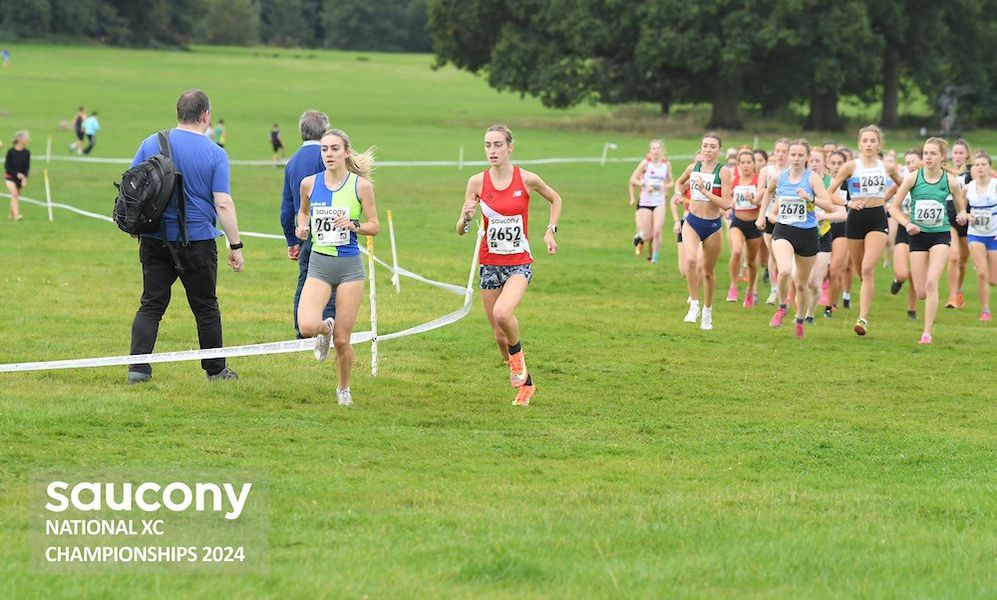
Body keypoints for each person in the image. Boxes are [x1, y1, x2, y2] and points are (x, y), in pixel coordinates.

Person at [127, 89, 244, 384]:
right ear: (206, 115)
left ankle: (138, 369)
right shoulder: (215, 153)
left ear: (179, 113)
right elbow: (223, 203)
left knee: (151, 304)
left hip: (155, 238)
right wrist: (235, 245)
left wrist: (136, 226)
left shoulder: (150, 142)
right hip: (198, 240)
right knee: (205, 307)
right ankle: (216, 371)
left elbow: (132, 189)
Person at [456, 125, 561, 406]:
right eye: (487, 145)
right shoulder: (476, 182)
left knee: (503, 313)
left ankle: (517, 362)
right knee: (500, 337)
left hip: (518, 263)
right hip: (490, 263)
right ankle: (526, 384)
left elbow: (555, 199)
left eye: (498, 145)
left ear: (510, 147)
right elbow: (460, 230)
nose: (492, 150)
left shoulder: (527, 179)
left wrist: (550, 230)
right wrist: (466, 218)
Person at [296, 128, 379, 407]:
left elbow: (374, 226)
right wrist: (301, 226)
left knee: (343, 341)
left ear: (346, 152)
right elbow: (303, 212)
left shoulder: (360, 186)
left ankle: (343, 389)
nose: (328, 154)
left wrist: (354, 225)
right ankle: (325, 329)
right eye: (324, 149)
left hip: (349, 268)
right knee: (307, 325)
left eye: (334, 149)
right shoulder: (309, 183)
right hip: (319, 264)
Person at [889, 137, 968, 344]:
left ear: (942, 157)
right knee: (922, 292)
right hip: (917, 236)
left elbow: (961, 210)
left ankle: (927, 333)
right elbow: (893, 208)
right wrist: (907, 224)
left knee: (932, 282)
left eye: (933, 153)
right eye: (925, 153)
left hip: (940, 235)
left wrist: (962, 216)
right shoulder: (913, 178)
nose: (928, 157)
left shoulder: (950, 181)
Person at [827, 125, 903, 336]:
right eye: (865, 141)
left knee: (868, 269)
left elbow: (903, 185)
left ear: (879, 145)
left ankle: (862, 319)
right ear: (859, 144)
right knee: (860, 271)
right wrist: (848, 202)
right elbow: (829, 193)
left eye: (872, 141)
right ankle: (865, 292)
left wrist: (887, 199)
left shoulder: (886, 167)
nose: (869, 144)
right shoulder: (850, 166)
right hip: (855, 220)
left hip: (877, 219)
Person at [762, 140, 836, 338]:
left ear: (807, 157)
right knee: (785, 270)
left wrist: (810, 198)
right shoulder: (779, 177)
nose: (796, 158)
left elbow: (829, 206)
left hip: (807, 234)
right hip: (784, 230)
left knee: (802, 284)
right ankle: (782, 307)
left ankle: (800, 320)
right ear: (788, 156)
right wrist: (762, 216)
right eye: (793, 154)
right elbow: (768, 192)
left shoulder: (812, 179)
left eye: (800, 155)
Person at [280, 109, 336, 338]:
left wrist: (291, 240)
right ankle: (327, 330)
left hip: (303, 232)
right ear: (325, 131)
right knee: (329, 282)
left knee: (304, 282)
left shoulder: (292, 162)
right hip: (327, 231)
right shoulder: (326, 158)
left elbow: (286, 208)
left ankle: (301, 332)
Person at [675, 133, 731, 330]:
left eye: (713, 146)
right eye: (705, 145)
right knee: (690, 261)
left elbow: (726, 203)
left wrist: (705, 191)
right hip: (692, 222)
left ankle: (707, 312)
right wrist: (678, 194)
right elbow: (679, 183)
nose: (708, 149)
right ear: (701, 148)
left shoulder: (723, 172)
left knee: (707, 272)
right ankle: (694, 305)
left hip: (712, 226)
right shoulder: (693, 168)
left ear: (719, 150)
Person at [806, 147, 847, 322]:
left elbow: (842, 213)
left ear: (825, 163)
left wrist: (824, 216)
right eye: (811, 161)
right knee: (802, 278)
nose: (814, 164)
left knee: (832, 271)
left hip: (830, 229)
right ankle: (798, 309)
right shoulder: (800, 180)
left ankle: (827, 307)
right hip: (805, 232)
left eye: (818, 161)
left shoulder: (832, 183)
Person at [887, 149, 922, 320]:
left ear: (922, 161)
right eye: (907, 162)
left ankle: (911, 309)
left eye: (913, 161)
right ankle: (899, 280)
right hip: (904, 228)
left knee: (916, 273)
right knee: (902, 272)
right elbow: (885, 198)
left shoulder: (931, 182)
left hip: (923, 231)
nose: (910, 165)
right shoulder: (903, 181)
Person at [756, 138, 790, 305]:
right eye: (778, 151)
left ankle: (789, 290)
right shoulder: (767, 171)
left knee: (788, 257)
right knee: (774, 255)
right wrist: (761, 215)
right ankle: (774, 289)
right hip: (770, 216)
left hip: (789, 218)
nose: (781, 154)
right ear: (774, 152)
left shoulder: (794, 171)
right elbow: (758, 196)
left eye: (784, 151)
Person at [727, 148, 762, 307]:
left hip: (754, 225)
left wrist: (753, 200)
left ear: (754, 164)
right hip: (738, 222)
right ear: (739, 165)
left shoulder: (758, 180)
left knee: (751, 262)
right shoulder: (735, 180)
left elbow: (763, 202)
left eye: (749, 162)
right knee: (736, 251)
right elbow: (729, 199)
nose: (746, 165)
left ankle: (750, 292)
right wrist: (729, 207)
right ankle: (733, 287)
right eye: (743, 163)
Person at [965, 151, 997, 322]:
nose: (980, 168)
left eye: (984, 164)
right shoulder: (969, 187)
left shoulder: (995, 185)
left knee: (993, 280)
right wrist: (966, 215)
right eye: (977, 165)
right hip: (975, 234)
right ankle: (985, 311)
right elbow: (960, 208)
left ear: (990, 167)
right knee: (982, 274)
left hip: (994, 236)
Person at [629, 139, 672, 264]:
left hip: (659, 201)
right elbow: (632, 179)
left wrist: (665, 186)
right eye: (653, 148)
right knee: (647, 235)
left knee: (657, 231)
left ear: (662, 150)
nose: (656, 150)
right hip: (645, 202)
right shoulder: (645, 164)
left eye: (658, 148)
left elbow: (671, 181)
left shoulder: (666, 165)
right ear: (650, 150)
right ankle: (639, 237)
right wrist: (644, 184)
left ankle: (654, 259)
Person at [945, 139, 972, 308]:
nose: (958, 156)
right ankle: (952, 297)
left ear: (967, 155)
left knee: (962, 260)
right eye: (955, 153)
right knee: (954, 257)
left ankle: (959, 290)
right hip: (949, 217)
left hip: (968, 219)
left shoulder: (972, 172)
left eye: (961, 153)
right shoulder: (946, 172)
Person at [824, 150, 851, 317]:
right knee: (824, 270)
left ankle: (829, 306)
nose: (836, 167)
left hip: (843, 228)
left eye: (839, 163)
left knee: (835, 270)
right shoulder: (822, 182)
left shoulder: (850, 184)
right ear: (827, 164)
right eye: (832, 163)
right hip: (823, 227)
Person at [4, 130, 30, 221]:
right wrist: (16, 174)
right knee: (14, 194)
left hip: (20, 179)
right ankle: (17, 215)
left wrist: (25, 178)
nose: (27, 140)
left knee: (15, 197)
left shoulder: (27, 153)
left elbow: (27, 167)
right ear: (20, 139)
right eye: (26, 138)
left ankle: (10, 216)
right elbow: (7, 166)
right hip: (10, 176)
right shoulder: (10, 151)